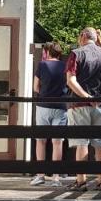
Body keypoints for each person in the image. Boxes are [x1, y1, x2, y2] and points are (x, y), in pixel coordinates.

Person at [64, 27, 101, 191]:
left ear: (83, 36)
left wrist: (86, 97)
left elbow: (71, 81)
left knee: (81, 143)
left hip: (80, 105)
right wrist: (100, 40)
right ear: (95, 37)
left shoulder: (76, 53)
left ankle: (81, 181)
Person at [30, 41, 69, 187]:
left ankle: (40, 175)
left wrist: (45, 92)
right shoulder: (65, 66)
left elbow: (35, 87)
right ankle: (56, 177)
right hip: (60, 106)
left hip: (43, 106)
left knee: (41, 140)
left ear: (47, 52)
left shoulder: (42, 65)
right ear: (59, 53)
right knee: (57, 142)